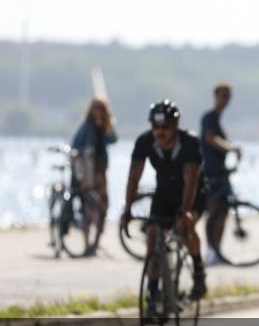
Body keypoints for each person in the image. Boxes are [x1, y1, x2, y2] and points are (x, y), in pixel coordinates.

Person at [121, 100, 207, 311]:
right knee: (153, 236)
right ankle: (153, 293)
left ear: (176, 125)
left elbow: (192, 179)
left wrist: (186, 211)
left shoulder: (189, 142)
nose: (160, 132)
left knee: (184, 228)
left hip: (193, 192)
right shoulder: (144, 142)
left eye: (166, 127)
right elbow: (134, 178)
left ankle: (198, 271)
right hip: (164, 192)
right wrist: (127, 209)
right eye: (156, 127)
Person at [201, 83, 242, 264]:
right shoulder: (209, 118)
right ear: (215, 96)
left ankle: (217, 250)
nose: (226, 100)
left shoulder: (217, 118)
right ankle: (211, 251)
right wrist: (230, 148)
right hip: (212, 173)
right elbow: (210, 138)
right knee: (213, 213)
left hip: (221, 172)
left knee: (223, 213)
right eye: (223, 96)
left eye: (228, 97)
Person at [71, 97, 118, 256]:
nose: (98, 111)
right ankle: (86, 244)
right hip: (89, 173)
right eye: (96, 108)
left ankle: (97, 242)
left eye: (101, 108)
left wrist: (108, 123)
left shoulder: (104, 127)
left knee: (103, 206)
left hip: (101, 172)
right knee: (88, 208)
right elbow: (75, 145)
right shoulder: (86, 126)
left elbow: (113, 139)